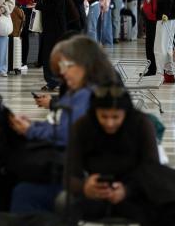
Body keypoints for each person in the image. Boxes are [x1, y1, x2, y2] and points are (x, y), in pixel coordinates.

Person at [65, 83, 166, 226]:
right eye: (104, 117)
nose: (109, 123)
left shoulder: (142, 125)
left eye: (115, 117)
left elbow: (152, 172)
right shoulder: (82, 127)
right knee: (64, 206)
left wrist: (127, 190)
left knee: (156, 212)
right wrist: (84, 186)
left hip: (134, 193)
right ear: (95, 113)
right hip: (94, 194)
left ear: (125, 114)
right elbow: (68, 175)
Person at [9, 36, 116, 213]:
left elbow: (67, 134)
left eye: (66, 67)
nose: (63, 74)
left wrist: (30, 130)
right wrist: (33, 127)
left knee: (24, 192)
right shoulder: (83, 91)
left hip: (80, 175)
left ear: (83, 65)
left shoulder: (87, 95)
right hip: (78, 170)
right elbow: (62, 125)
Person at [37, 0, 67, 91]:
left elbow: (57, 9)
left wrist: (39, 6)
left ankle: (53, 80)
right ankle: (53, 80)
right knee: (49, 53)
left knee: (50, 54)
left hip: (56, 27)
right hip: (49, 25)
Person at [7, 0, 42, 71]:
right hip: (13, 12)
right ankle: (11, 61)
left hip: (27, 12)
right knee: (12, 35)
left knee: (25, 35)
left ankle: (23, 61)